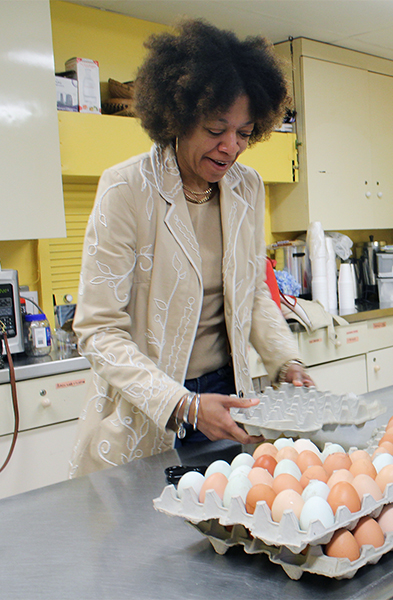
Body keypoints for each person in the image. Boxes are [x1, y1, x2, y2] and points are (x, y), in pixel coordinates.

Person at [69, 19, 313, 478]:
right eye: (216, 128)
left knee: (228, 521)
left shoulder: (246, 187)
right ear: (178, 116)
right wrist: (183, 403)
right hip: (152, 404)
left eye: (244, 132)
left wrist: (286, 362)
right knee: (149, 535)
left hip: (228, 398)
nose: (231, 147)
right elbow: (98, 330)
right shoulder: (126, 189)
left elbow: (252, 292)